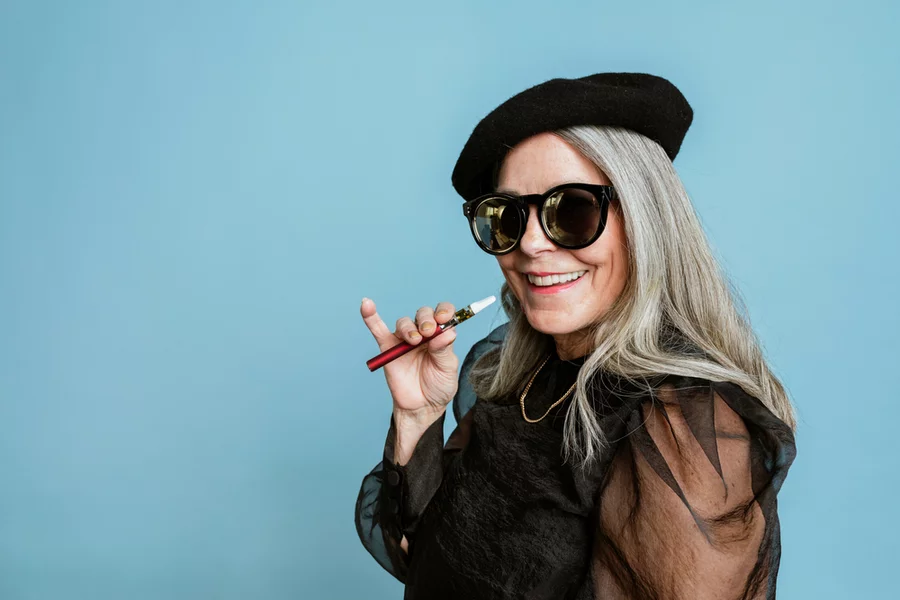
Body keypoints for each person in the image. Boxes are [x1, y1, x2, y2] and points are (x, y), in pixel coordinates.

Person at [355, 72, 797, 600]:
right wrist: (417, 417)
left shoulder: (676, 422)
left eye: (573, 209)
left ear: (644, 221)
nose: (533, 244)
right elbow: (432, 559)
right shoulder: (520, 376)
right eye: (507, 217)